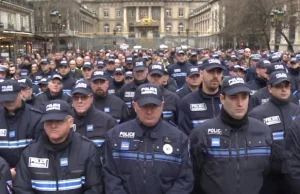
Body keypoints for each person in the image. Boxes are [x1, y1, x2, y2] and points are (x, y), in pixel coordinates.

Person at [103, 83, 194, 194]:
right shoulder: (115, 136)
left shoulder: (179, 138)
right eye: (144, 106)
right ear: (134, 105)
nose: (149, 111)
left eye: (154, 106)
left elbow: (185, 179)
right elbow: (110, 177)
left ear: (162, 105)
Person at [190, 76, 272, 194]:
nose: (240, 103)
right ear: (222, 99)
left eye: (244, 97)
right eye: (234, 97)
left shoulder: (264, 131)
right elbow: (194, 174)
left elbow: (266, 172)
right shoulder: (202, 133)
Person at [13, 100, 103, 194]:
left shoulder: (87, 150)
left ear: (71, 122)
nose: (53, 125)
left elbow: (95, 188)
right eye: (48, 121)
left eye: (58, 121)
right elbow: (22, 189)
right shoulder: (29, 152)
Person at [248, 71, 300, 194]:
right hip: (269, 177)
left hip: (294, 175)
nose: (283, 90)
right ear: (270, 88)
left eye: (286, 86)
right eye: (279, 86)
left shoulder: (297, 110)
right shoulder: (256, 114)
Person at [0, 80, 43, 173]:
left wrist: (18, 170)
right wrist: (5, 170)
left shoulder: (36, 117)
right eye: (5, 99)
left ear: (20, 94)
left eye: (12, 98)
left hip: (29, 173)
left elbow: (40, 150)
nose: (9, 102)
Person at [178, 58, 224, 136]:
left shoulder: (230, 99)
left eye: (218, 72)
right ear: (201, 74)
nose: (215, 76)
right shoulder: (187, 102)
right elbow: (184, 137)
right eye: (211, 71)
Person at [72, 80, 116, 148]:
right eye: (76, 97)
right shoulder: (64, 120)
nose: (79, 101)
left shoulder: (107, 121)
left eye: (84, 97)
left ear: (91, 98)